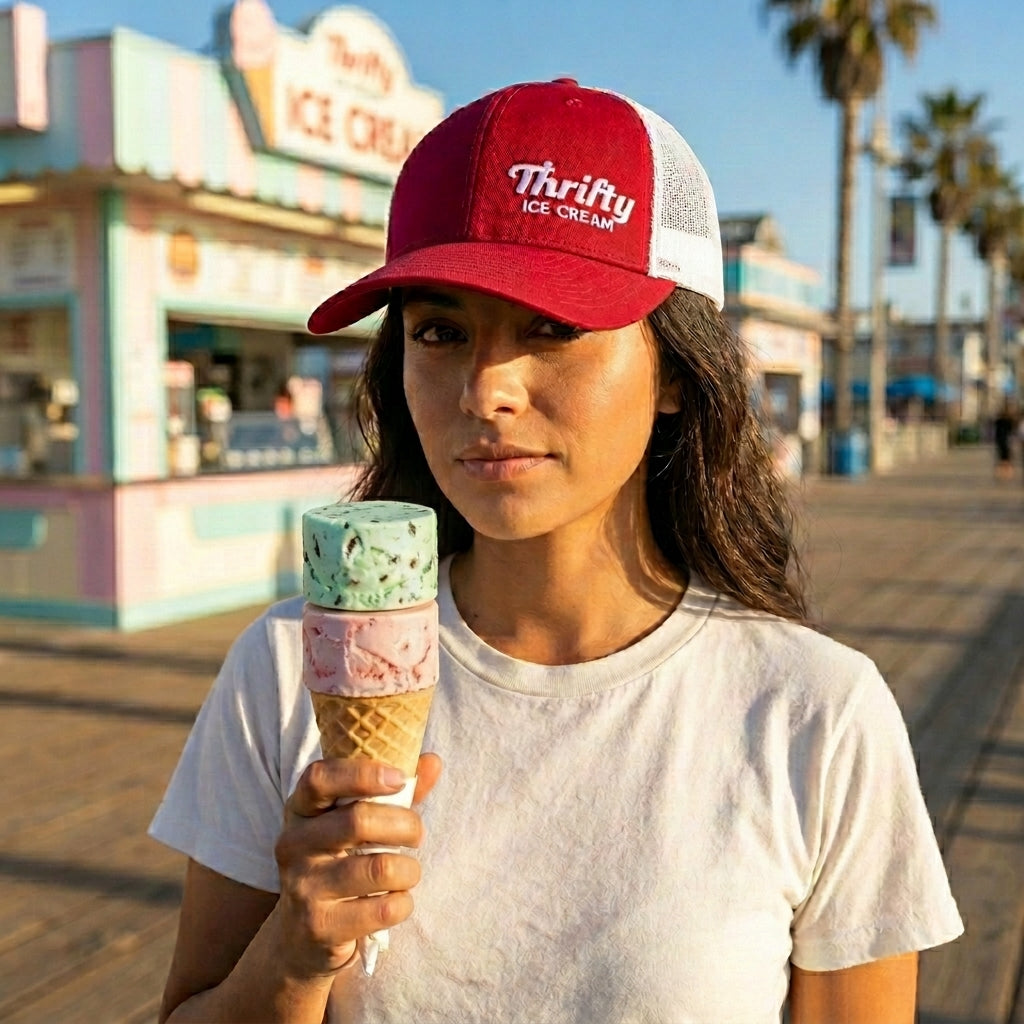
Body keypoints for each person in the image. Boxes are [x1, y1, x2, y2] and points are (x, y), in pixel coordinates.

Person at [150, 79, 962, 1023]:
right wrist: (294, 955)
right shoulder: (288, 670)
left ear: (676, 369)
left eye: (555, 327)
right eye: (440, 331)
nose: (486, 389)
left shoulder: (814, 715)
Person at [993, 402, 1016, 480]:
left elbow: (996, 430)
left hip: (999, 440)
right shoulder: (1009, 420)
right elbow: (1011, 431)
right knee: (1007, 457)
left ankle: (1000, 472)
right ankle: (1008, 473)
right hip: (1006, 440)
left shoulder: (998, 421)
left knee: (1001, 456)